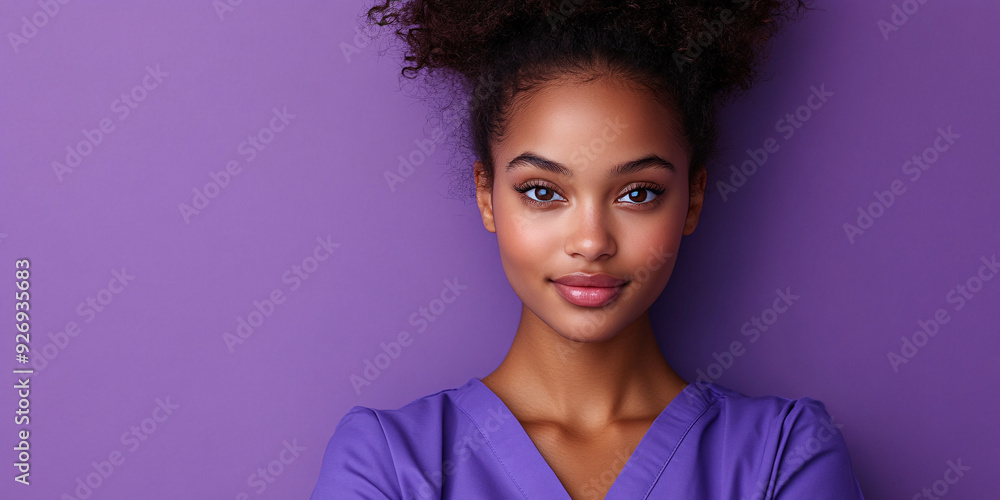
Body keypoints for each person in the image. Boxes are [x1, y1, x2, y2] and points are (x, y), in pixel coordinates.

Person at [311, 0, 865, 498]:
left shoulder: (782, 457)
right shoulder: (388, 463)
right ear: (486, 195)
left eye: (638, 193)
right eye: (544, 193)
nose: (592, 242)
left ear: (693, 198)